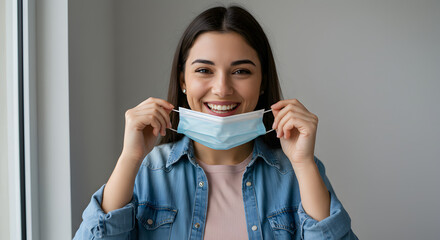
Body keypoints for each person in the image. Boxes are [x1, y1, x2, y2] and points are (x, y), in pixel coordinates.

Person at [74, 5, 358, 240]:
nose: (222, 88)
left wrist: (304, 164)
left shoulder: (298, 172)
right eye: (204, 70)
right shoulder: (146, 171)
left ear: (262, 83)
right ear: (183, 80)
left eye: (241, 71)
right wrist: (129, 158)